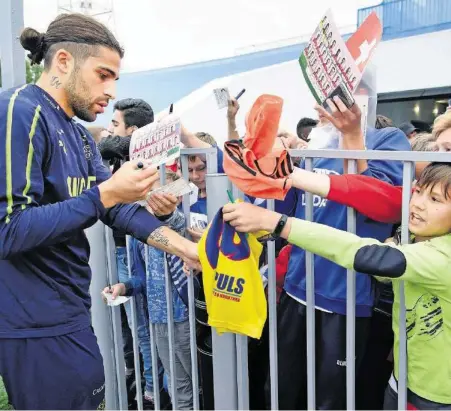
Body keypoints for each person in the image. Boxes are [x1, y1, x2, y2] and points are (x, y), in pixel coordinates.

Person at [0, 14, 198, 410]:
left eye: (115, 79)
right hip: (34, 322)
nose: (110, 91)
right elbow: (9, 230)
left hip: (67, 311)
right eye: (103, 74)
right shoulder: (20, 111)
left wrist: (185, 248)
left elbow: (116, 211)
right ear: (63, 62)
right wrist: (104, 194)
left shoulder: (75, 131)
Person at [222, 161, 451, 410]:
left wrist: (279, 223)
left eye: (436, 199)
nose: (418, 203)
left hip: (436, 397)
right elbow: (386, 271)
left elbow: (366, 255)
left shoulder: (443, 256)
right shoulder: (417, 241)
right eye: (417, 191)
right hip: (403, 381)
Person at [270, 96, 409, 409]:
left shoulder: (386, 139)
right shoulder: (318, 147)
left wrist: (352, 134)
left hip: (344, 297)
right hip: (296, 288)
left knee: (330, 400)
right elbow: (286, 205)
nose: (322, 106)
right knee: (280, 390)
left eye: (331, 96)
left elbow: (383, 205)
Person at [105, 171, 193, 410]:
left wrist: (166, 213)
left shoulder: (180, 223)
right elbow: (143, 277)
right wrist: (125, 286)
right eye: (148, 195)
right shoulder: (137, 234)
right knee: (177, 383)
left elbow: (173, 223)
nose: (150, 200)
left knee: (197, 380)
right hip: (158, 317)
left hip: (185, 316)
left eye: (158, 194)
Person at [98, 97, 159, 408]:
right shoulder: (117, 154)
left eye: (115, 124)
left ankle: (149, 395)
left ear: (132, 132)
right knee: (128, 328)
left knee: (142, 328)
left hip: (133, 249)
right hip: (120, 249)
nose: (109, 130)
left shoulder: (148, 159)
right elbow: (102, 146)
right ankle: (138, 385)